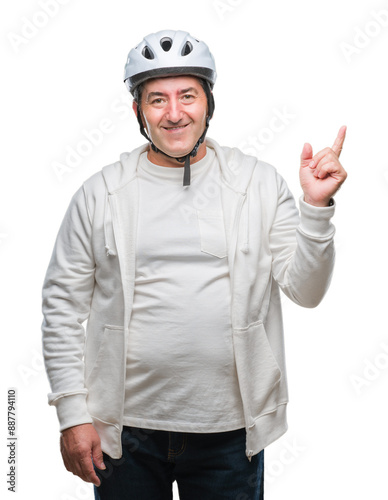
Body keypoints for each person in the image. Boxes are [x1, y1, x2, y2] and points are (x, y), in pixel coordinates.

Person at [41, 29, 347, 499]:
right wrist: (72, 414)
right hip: (123, 432)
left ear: (208, 103)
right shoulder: (100, 193)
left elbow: (307, 291)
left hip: (230, 432)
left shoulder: (258, 184)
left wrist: (316, 209)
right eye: (157, 99)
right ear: (138, 110)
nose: (174, 112)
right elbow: (62, 306)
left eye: (187, 95)